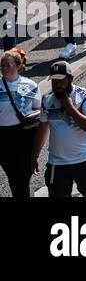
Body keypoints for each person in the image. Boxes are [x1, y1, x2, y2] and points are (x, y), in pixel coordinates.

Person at [36, 60, 86, 198]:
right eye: (53, 81)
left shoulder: (85, 96)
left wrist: (70, 108)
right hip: (57, 163)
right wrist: (34, 156)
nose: (57, 85)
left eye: (60, 81)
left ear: (70, 78)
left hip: (85, 160)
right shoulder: (47, 100)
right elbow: (43, 129)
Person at [0, 48, 40, 198]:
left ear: (18, 65)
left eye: (7, 65)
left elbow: (39, 110)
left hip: (25, 135)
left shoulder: (30, 85)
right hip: (3, 136)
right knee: (13, 176)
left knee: (22, 177)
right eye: (2, 65)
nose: (4, 68)